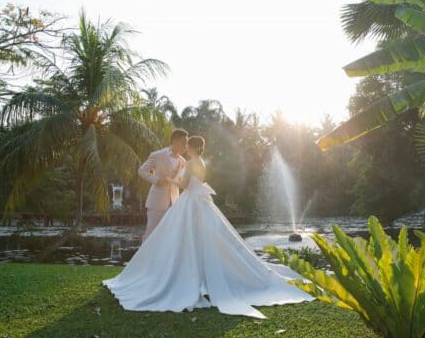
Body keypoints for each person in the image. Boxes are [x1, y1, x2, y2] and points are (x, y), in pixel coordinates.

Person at [103, 135, 313, 319]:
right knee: (202, 237)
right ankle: (197, 273)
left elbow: (185, 185)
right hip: (197, 200)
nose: (185, 148)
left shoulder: (193, 162)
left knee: (187, 236)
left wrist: (170, 180)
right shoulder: (200, 161)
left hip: (190, 200)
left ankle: (188, 274)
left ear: (192, 148)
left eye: (188, 146)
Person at [137, 129, 188, 241]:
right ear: (174, 141)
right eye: (183, 142)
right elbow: (141, 170)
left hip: (174, 202)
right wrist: (156, 180)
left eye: (187, 143)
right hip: (156, 201)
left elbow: (181, 181)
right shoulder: (157, 155)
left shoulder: (183, 162)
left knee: (170, 236)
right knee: (150, 234)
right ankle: (144, 258)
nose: (186, 146)